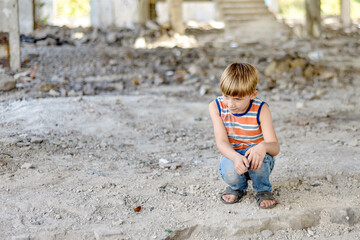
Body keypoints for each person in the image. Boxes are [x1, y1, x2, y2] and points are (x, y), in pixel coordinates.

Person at [209, 62, 280, 209]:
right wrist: (235, 157)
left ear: (253, 94)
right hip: (232, 155)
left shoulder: (261, 109)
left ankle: (262, 189)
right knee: (230, 171)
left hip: (258, 158)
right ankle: (237, 187)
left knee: (258, 161)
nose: (230, 104)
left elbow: (275, 147)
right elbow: (221, 142)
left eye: (238, 99)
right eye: (226, 96)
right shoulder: (216, 106)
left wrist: (262, 147)